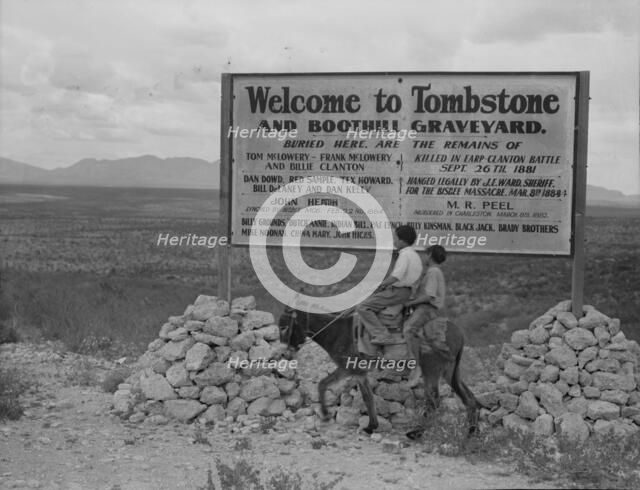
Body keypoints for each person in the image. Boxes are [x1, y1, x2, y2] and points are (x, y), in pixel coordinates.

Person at [356, 225, 422, 345]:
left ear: (402, 240)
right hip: (406, 291)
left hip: (398, 292)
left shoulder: (404, 255)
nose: (394, 241)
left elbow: (396, 276)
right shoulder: (415, 255)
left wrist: (381, 285)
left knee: (363, 307)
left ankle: (382, 335)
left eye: (395, 238)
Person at [403, 244, 450, 387]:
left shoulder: (433, 271)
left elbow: (429, 296)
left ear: (430, 255)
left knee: (408, 330)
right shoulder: (434, 271)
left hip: (427, 309)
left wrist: (409, 303)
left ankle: (415, 368)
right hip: (425, 307)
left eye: (426, 254)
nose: (425, 257)